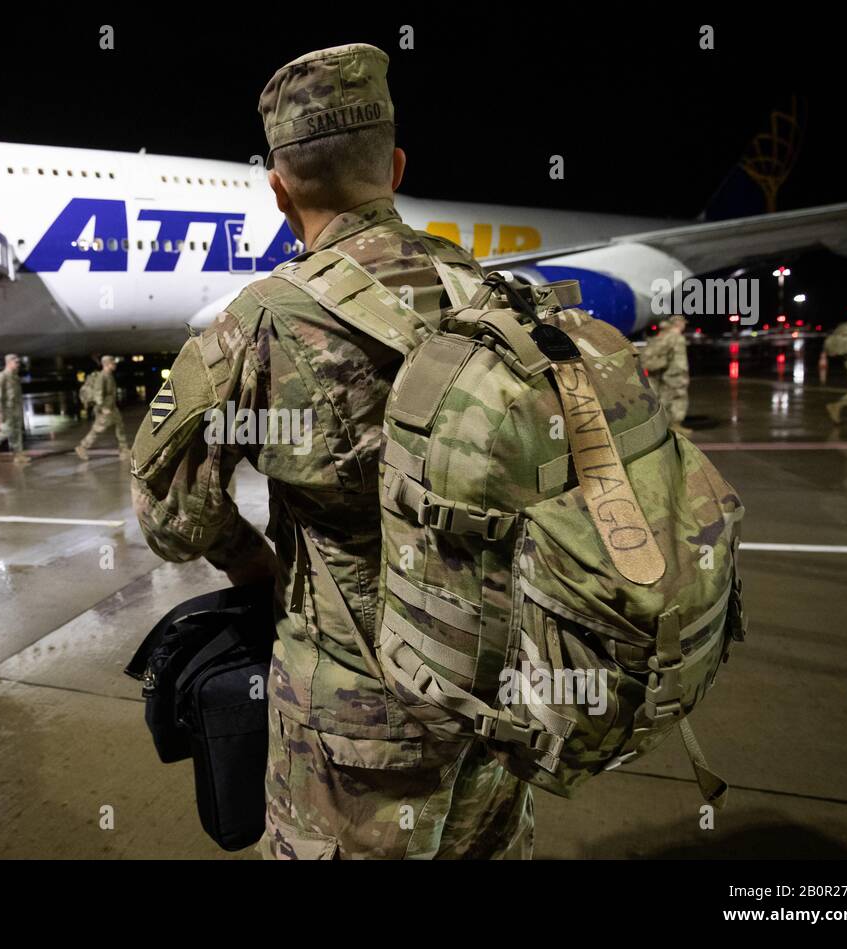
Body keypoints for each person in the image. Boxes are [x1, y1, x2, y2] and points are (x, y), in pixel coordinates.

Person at [130, 44, 532, 859]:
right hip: (498, 693)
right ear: (396, 165)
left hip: (351, 720)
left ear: (279, 190)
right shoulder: (499, 299)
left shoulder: (263, 321)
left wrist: (251, 562)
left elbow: (169, 513)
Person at [640, 315, 691, 435]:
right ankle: (674, 426)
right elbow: (659, 351)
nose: (684, 325)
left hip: (673, 372)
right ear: (678, 323)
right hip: (674, 373)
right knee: (676, 398)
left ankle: (670, 425)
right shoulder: (674, 336)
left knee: (669, 398)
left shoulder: (667, 335)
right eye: (683, 323)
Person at [74, 355, 129, 460]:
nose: (115, 365)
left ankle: (124, 449)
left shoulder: (109, 375)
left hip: (111, 406)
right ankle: (82, 447)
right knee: (98, 429)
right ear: (107, 364)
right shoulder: (102, 376)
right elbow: (98, 393)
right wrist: (102, 407)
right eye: (113, 363)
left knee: (120, 425)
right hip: (104, 408)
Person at [0, 354, 30, 465]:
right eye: (16, 362)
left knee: (17, 432)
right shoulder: (1, 377)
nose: (18, 365)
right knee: (6, 430)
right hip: (6, 409)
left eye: (18, 362)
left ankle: (18, 455)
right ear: (8, 362)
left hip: (16, 408)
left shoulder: (15, 377)